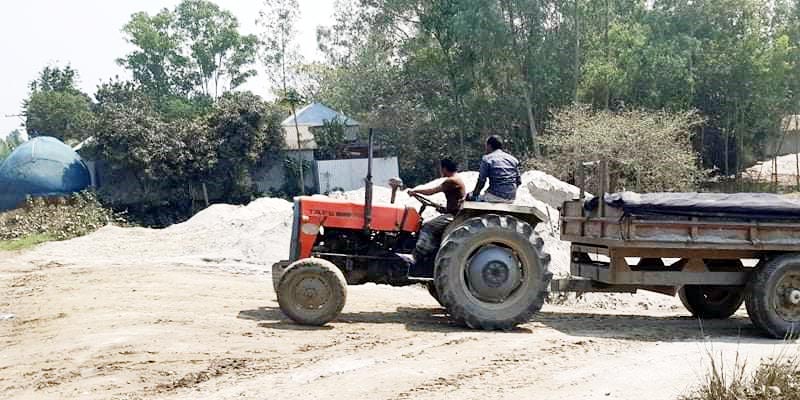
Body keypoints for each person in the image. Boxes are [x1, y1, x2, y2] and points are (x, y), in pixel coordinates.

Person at [408, 158, 465, 262]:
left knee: (427, 226)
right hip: (452, 212)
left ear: (444, 168)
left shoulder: (451, 181)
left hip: (454, 215)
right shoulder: (456, 179)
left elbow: (431, 191)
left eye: (440, 168)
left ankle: (417, 255)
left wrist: (415, 191)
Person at [471, 135, 521, 203]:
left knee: (471, 199)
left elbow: (481, 181)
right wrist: (509, 193)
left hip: (494, 197)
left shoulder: (487, 159)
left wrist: (474, 195)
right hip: (512, 198)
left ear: (489, 146)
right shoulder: (513, 160)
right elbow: (519, 181)